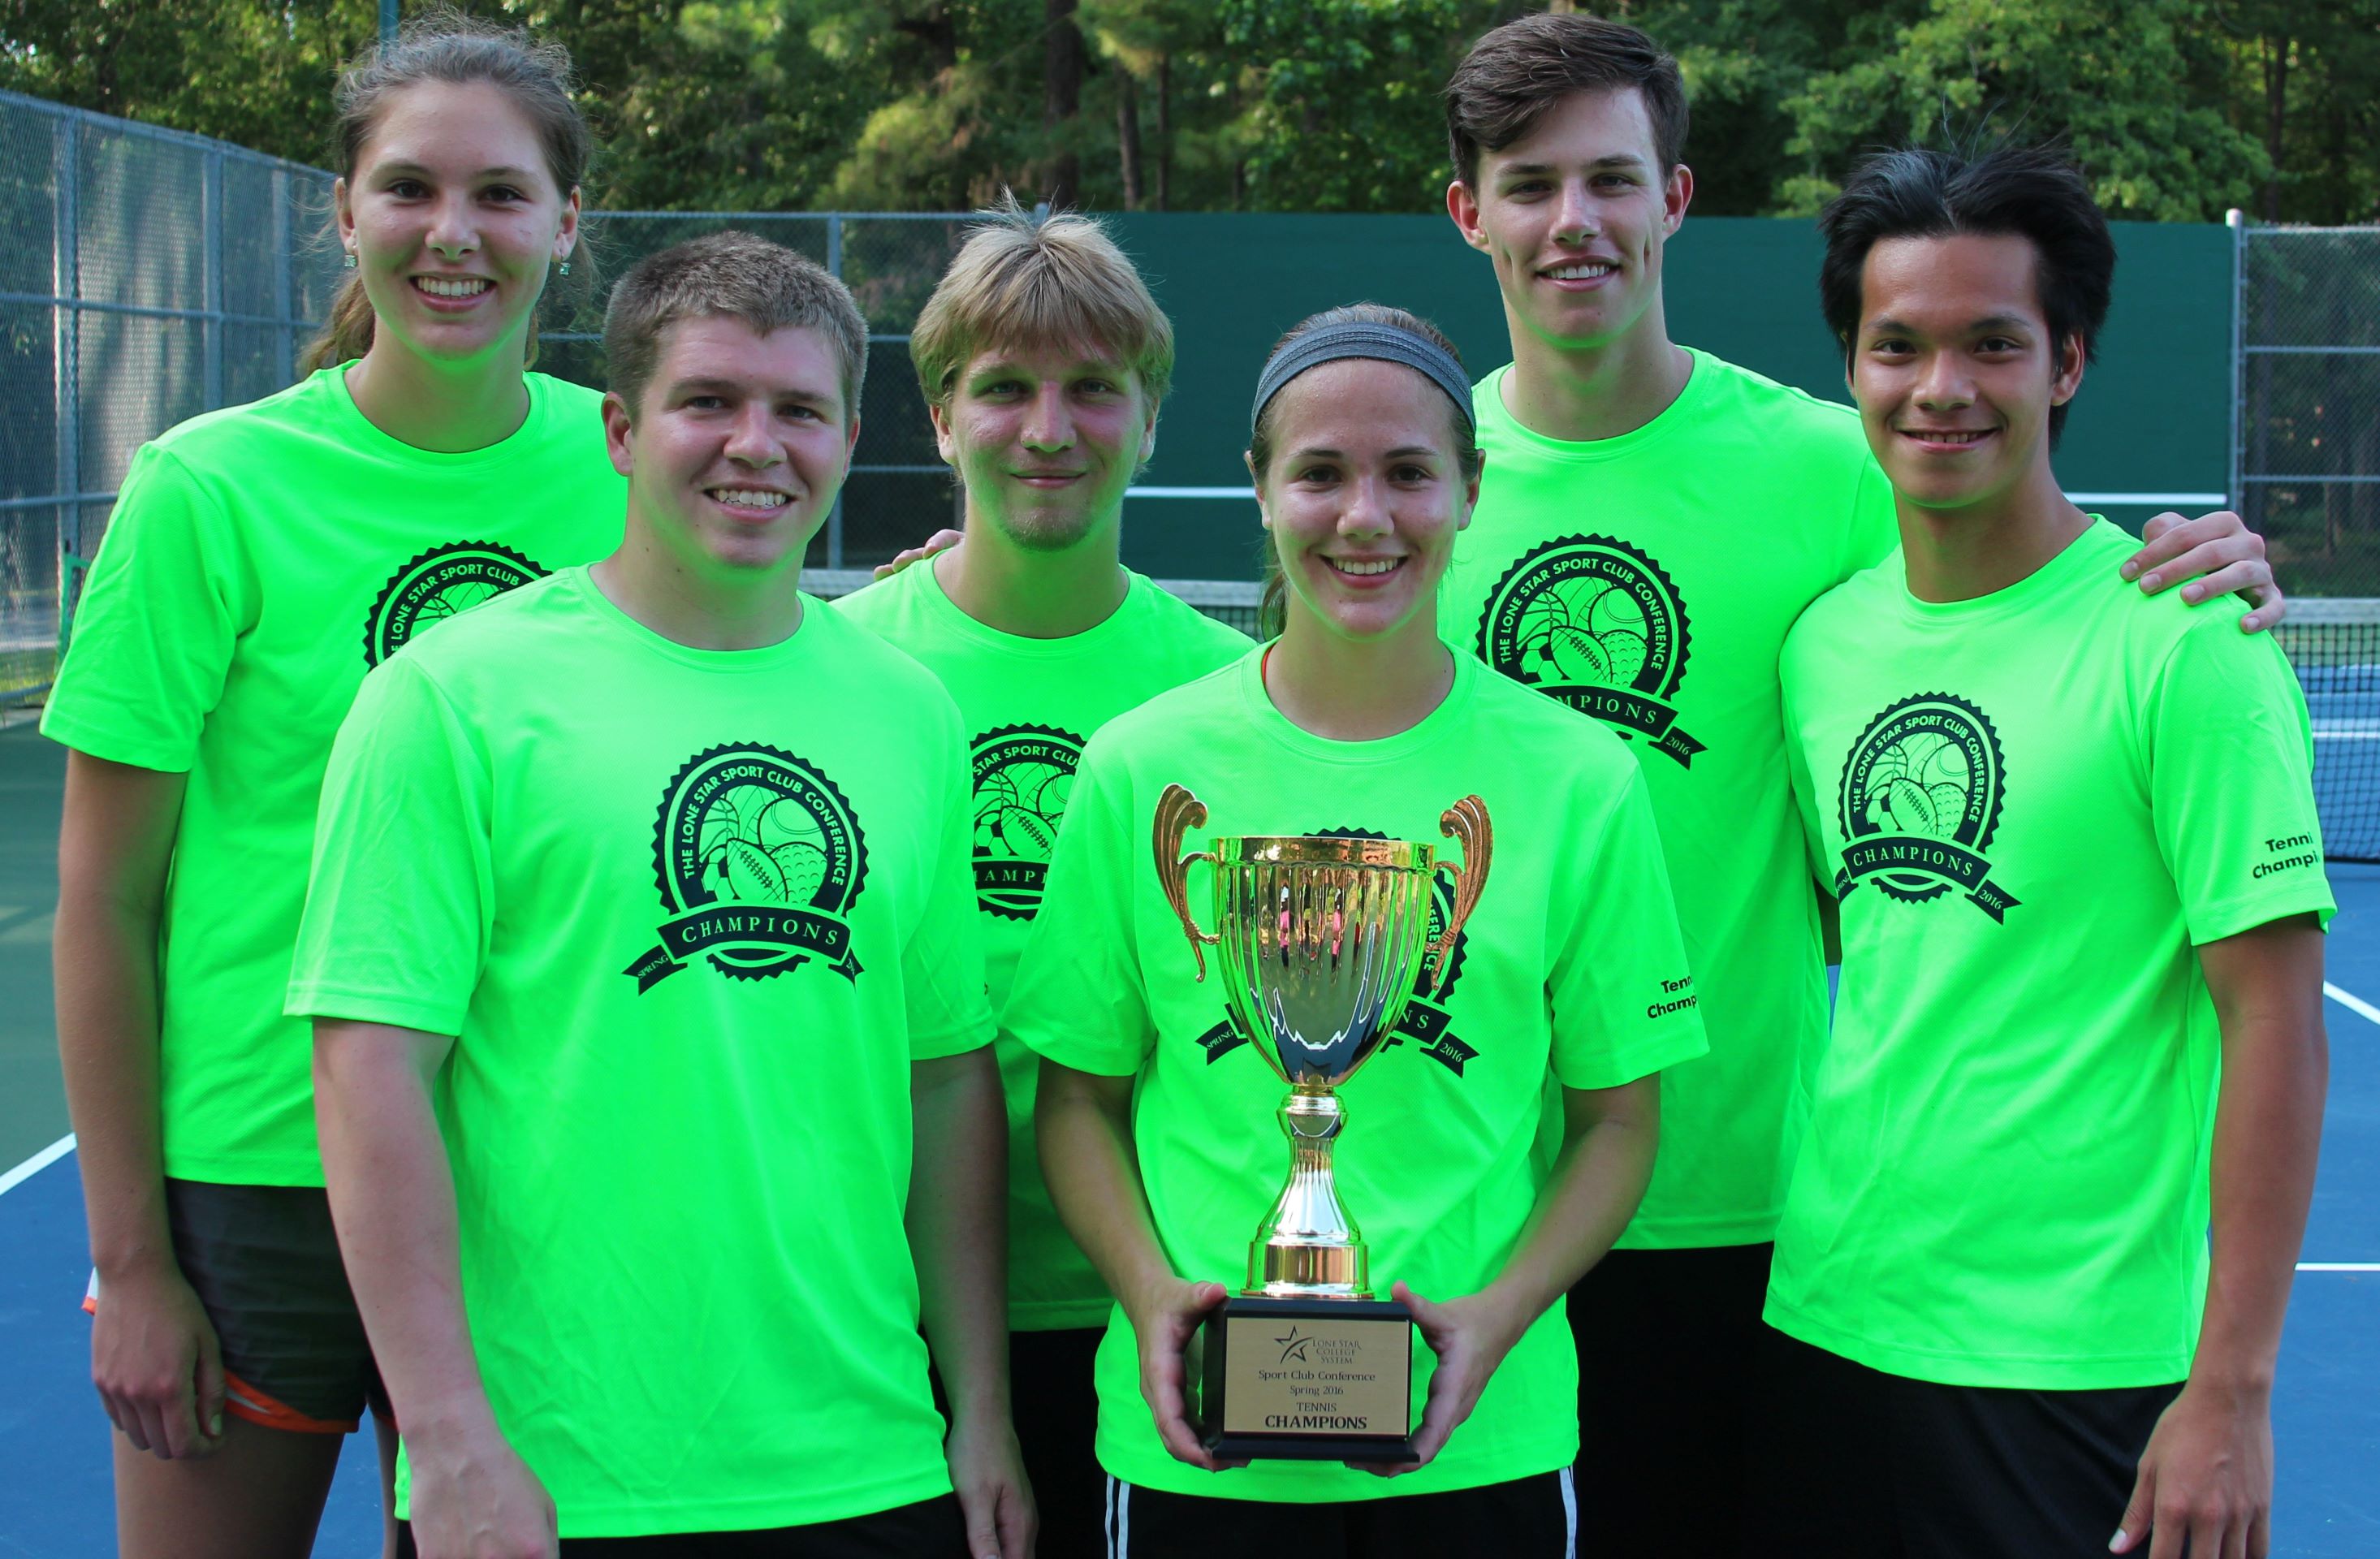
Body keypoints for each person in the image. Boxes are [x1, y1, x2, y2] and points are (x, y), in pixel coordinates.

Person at [1434, 15, 2288, 1548]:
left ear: (1675, 199)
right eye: (1534, 182)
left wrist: (2203, 567)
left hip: (1752, 1221)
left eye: (1612, 179)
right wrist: (939, 589)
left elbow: (2005, 600)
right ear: (1471, 212)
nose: (1577, 221)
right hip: (1468, 1189)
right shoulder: (1411, 479)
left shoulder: (1833, 465)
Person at [289, 231, 1029, 1558]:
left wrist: (977, 1409)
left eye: (799, 409)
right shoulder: (454, 697)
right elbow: (367, 1072)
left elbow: (945, 1077)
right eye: (709, 402)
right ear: (624, 431)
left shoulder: (910, 712)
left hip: (868, 1466)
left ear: (851, 437)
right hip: (552, 1481)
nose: (758, 444)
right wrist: (448, 1437)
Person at [41, 17, 616, 1556]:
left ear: (568, 224)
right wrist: (134, 1262)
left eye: (501, 195)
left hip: (526, 1174)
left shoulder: (634, 467)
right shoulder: (209, 490)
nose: (454, 234)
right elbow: (101, 900)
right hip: (254, 1185)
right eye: (411, 189)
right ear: (346, 211)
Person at [1008, 304, 1708, 1557]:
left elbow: (1619, 1122)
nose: (1365, 518)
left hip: (1480, 1445)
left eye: (1408, 474)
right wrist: (1151, 1293)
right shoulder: (1141, 766)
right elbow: (1076, 1101)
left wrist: (1496, 1315)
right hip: (1195, 1460)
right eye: (1319, 473)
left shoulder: (1578, 776)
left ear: (1472, 488)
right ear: (1260, 490)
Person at [1756, 142, 2329, 1559]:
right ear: (1852, 368)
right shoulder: (1823, 646)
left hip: (2077, 1369)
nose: (1940, 389)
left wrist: (2234, 1389)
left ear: (2065, 365)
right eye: (1898, 346)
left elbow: (2273, 1020)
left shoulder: (2188, 645)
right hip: (1827, 1322)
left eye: (1992, 344)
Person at [833, 196, 1250, 1559]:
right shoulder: (833, 666)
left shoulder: (1228, 690)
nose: (1050, 430)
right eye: (1003, 389)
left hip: (1143, 1298)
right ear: (942, 419)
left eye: (1093, 390)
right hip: (878, 1302)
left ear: (1150, 417)